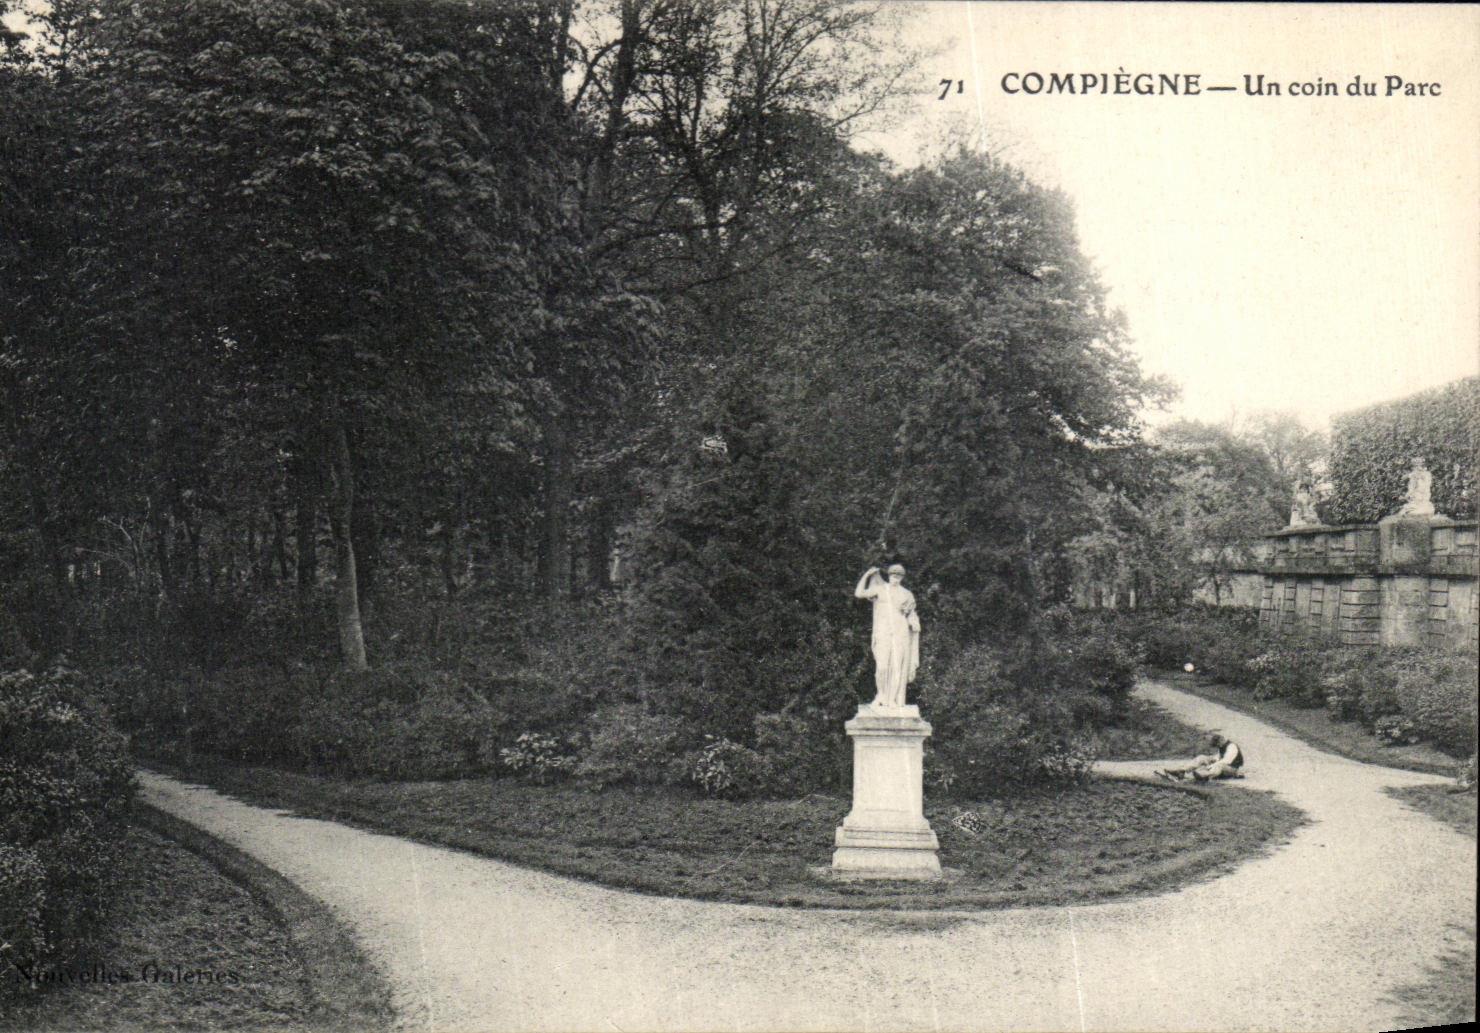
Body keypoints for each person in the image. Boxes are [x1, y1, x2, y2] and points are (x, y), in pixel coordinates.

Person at [854, 563, 920, 709]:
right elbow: (859, 593)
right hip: (883, 631)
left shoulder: (907, 594)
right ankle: (882, 695)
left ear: (902, 578)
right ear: (888, 576)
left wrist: (914, 623)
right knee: (882, 667)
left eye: (899, 576)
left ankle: (892, 699)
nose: (895, 579)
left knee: (897, 667)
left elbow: (911, 614)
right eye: (893, 575)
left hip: (900, 631)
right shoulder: (880, 589)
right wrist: (867, 575)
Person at [1157, 733, 1244, 783]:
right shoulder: (1222, 746)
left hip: (1232, 769)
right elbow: (1218, 757)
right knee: (1202, 757)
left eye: (1218, 744)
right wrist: (1209, 760)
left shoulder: (1232, 746)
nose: (1218, 746)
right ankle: (1182, 771)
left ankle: (1204, 776)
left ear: (1221, 741)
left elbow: (1227, 761)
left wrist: (1211, 765)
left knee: (1218, 766)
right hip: (1223, 766)